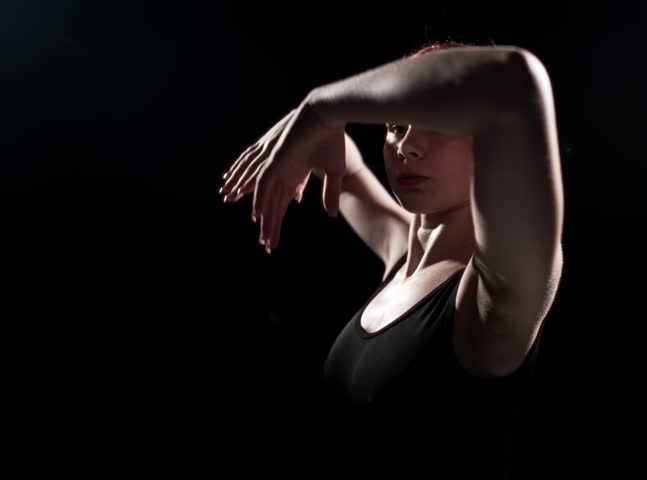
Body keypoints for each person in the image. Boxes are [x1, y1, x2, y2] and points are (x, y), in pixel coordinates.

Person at [220, 39, 564, 478]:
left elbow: (515, 79)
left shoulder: (494, 294)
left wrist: (321, 107)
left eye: (437, 122)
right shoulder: (404, 255)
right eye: (396, 125)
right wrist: (315, 126)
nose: (407, 146)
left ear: (487, 136)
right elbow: (347, 167)